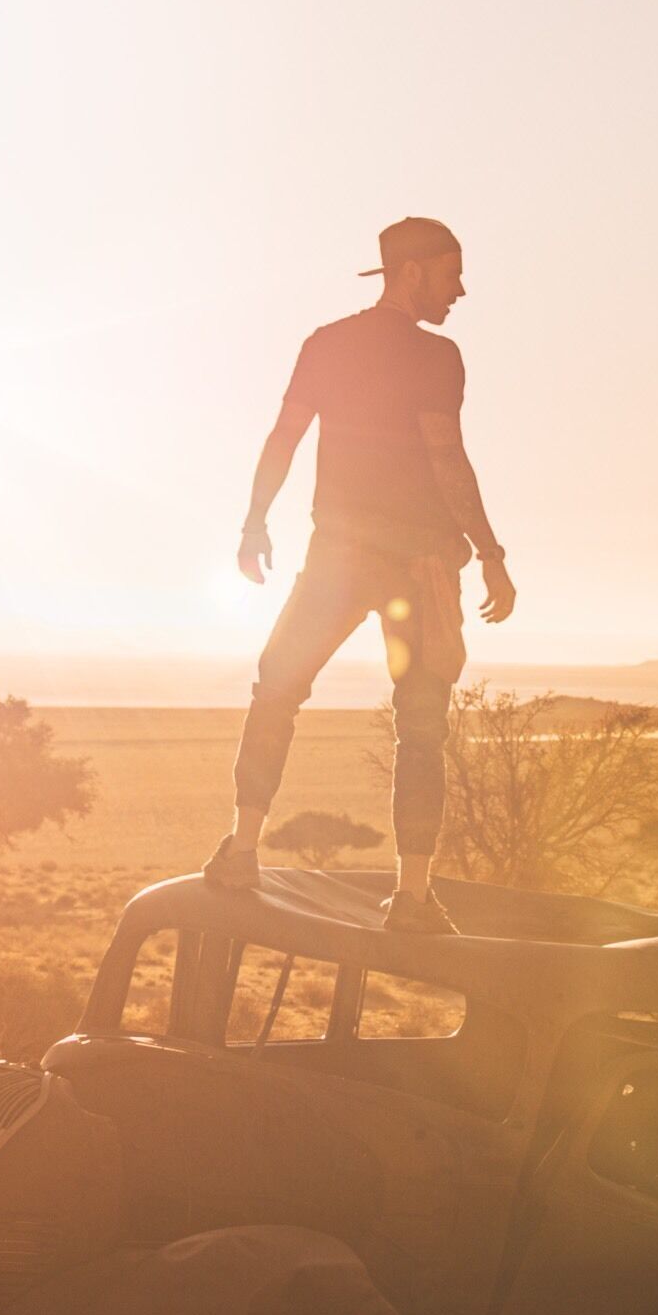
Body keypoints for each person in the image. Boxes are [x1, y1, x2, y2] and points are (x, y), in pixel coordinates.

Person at [204, 217, 515, 932]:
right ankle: (412, 900)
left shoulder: (326, 343)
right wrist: (491, 552)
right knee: (422, 725)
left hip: (339, 554)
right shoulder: (439, 357)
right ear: (411, 273)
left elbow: (284, 436)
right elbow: (446, 456)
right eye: (449, 273)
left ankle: (242, 850)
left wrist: (255, 522)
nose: (460, 289)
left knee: (277, 684)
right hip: (421, 564)